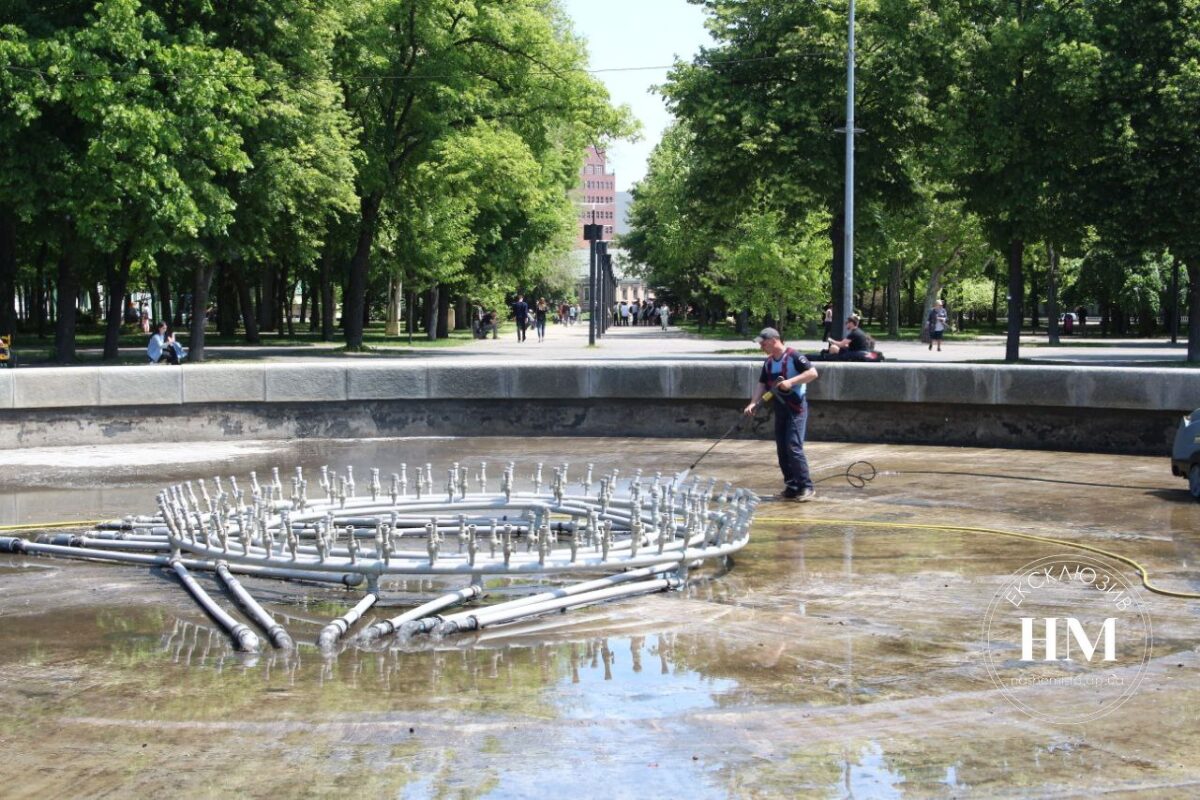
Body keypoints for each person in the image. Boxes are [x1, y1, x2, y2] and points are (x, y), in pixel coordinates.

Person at [744, 327, 819, 501]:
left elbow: (812, 373)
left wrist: (791, 382)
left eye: (763, 343)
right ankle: (792, 486)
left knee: (793, 446)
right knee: (782, 448)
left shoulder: (794, 356)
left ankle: (806, 487)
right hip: (780, 409)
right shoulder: (769, 362)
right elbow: (762, 384)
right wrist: (753, 402)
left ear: (773, 340)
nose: (761, 346)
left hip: (796, 409)